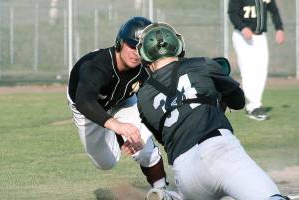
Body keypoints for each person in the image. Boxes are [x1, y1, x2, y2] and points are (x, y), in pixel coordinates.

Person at [136, 22, 290, 200]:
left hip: (185, 172)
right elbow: (238, 101)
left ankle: (170, 197)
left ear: (145, 56)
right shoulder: (202, 64)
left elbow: (164, 137)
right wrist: (218, 97)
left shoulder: (143, 96)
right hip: (218, 151)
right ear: (178, 46)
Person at [67, 16, 180, 198]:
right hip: (88, 107)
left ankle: (162, 191)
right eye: (131, 44)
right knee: (105, 162)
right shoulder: (97, 64)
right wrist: (118, 127)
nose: (136, 52)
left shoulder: (145, 66)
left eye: (140, 47)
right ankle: (119, 137)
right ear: (120, 42)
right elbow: (84, 101)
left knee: (143, 144)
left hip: (123, 101)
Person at [228, 0, 285, 121]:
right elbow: (232, 13)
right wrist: (243, 28)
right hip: (242, 36)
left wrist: (279, 28)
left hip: (260, 37)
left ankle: (254, 105)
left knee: (261, 71)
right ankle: (254, 106)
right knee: (248, 71)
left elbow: (274, 10)